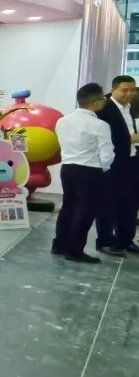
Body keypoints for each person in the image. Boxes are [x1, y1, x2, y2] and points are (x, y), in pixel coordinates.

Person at [53, 83, 114, 264]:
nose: (104, 102)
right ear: (95, 103)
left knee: (68, 207)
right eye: (103, 99)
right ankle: (74, 250)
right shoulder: (100, 125)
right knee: (85, 211)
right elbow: (107, 154)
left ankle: (59, 245)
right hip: (89, 171)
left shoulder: (62, 121)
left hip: (67, 168)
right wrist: (103, 169)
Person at [95, 75, 139, 257]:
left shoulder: (130, 108)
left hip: (131, 160)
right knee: (108, 203)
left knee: (130, 202)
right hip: (112, 163)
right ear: (113, 90)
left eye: (132, 90)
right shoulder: (105, 109)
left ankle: (125, 239)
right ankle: (104, 241)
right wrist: (131, 138)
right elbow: (104, 137)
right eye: (124, 90)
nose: (129, 93)